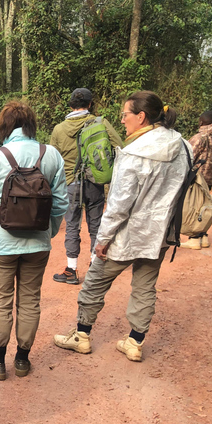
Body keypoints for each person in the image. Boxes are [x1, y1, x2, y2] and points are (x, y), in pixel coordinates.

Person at [54, 91, 190, 362]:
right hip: (161, 233)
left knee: (94, 283)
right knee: (145, 286)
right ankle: (134, 342)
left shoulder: (134, 153)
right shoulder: (183, 146)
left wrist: (102, 241)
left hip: (127, 235)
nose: (122, 120)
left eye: (125, 115)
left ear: (141, 117)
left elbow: (118, 206)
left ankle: (81, 336)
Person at [0, 101, 68, 380]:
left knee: (0, 301)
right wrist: (49, 231)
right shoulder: (51, 155)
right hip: (38, 244)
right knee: (30, 300)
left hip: (0, 244)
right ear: (31, 125)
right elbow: (60, 203)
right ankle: (22, 360)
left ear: (5, 127)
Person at [50, 88, 123, 285]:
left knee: (72, 225)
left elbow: (54, 160)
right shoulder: (101, 123)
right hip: (94, 182)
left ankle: (71, 270)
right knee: (96, 224)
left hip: (70, 184)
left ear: (70, 105)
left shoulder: (59, 129)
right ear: (90, 104)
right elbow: (119, 146)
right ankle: (94, 267)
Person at [181, 110, 212, 249]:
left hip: (197, 177)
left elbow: (188, 156)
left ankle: (194, 238)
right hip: (211, 176)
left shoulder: (200, 137)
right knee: (205, 205)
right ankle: (203, 236)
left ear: (201, 122)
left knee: (194, 206)